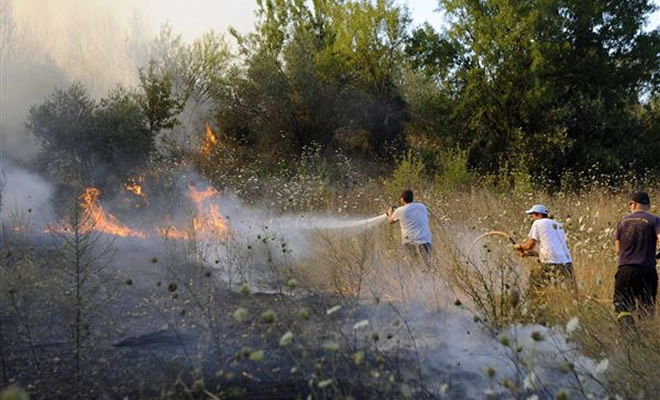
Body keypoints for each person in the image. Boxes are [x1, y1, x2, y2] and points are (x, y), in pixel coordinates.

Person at [613, 191, 660, 329]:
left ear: (633, 204)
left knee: (622, 306)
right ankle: (645, 339)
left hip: (625, 270)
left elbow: (617, 249)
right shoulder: (654, 220)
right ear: (648, 205)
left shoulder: (622, 222)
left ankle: (629, 334)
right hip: (647, 271)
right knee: (646, 308)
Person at [512, 204, 574, 293]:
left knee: (535, 289)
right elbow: (546, 249)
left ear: (538, 215)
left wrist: (519, 246)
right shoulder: (558, 225)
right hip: (567, 262)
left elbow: (530, 245)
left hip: (550, 262)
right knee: (571, 292)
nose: (532, 218)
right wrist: (526, 254)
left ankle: (533, 305)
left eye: (533, 215)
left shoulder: (537, 223)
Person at [387, 189, 432, 262]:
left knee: (413, 263)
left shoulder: (400, 210)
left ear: (402, 199)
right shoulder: (421, 206)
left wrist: (389, 213)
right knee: (427, 262)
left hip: (409, 241)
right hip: (425, 240)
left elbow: (390, 221)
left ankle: (415, 273)